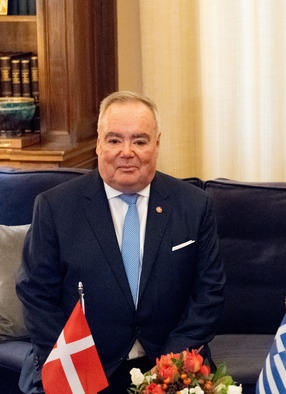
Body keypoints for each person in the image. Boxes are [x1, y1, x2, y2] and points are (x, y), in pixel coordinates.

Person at [16, 91, 225, 393]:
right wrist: (76, 365)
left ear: (157, 144)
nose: (127, 151)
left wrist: (168, 368)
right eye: (114, 140)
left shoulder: (194, 206)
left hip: (169, 361)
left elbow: (210, 294)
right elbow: (35, 295)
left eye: (140, 141)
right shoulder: (55, 207)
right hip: (83, 363)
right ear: (99, 144)